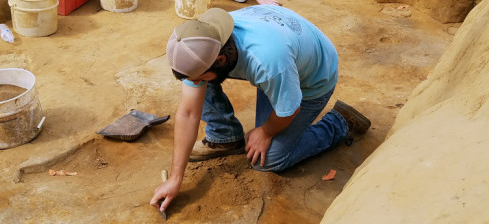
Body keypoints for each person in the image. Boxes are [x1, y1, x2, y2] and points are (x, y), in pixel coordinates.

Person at [150, 5, 371, 213]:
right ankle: (225, 136)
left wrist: (265, 132)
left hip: (312, 79)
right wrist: (175, 179)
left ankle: (339, 122)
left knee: (270, 159)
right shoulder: (205, 40)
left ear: (220, 59)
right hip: (284, 48)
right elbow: (188, 112)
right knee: (198, 83)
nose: (194, 82)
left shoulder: (268, 63)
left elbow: (288, 110)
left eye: (200, 77)